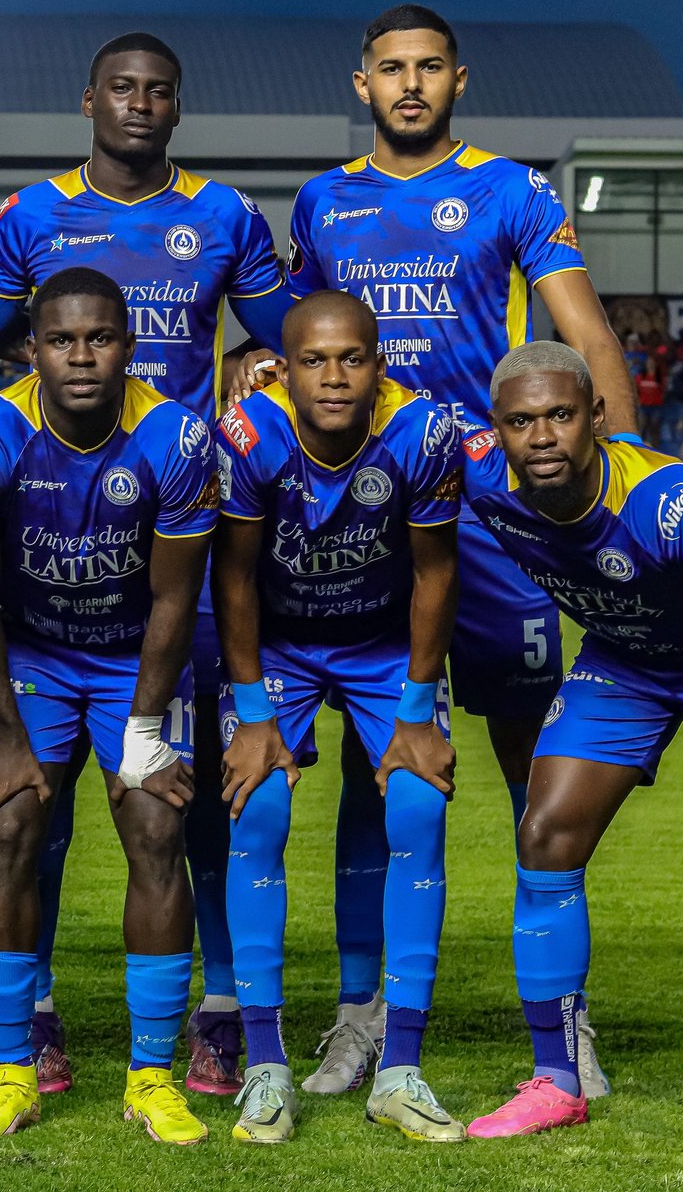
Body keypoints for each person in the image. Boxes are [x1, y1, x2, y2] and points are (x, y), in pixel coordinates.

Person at [0, 30, 295, 1096]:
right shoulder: (30, 215)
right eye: (121, 88)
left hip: (176, 532)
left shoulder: (224, 216)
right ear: (89, 101)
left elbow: (299, 331)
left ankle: (217, 1012)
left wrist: (276, 362)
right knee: (33, 805)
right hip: (55, 536)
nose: (139, 104)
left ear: (177, 107)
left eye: (158, 90)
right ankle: (39, 1014)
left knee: (197, 800)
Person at [279, 3, 638, 1096]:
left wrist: (619, 486)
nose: (409, 84)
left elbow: (585, 335)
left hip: (489, 515)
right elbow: (300, 342)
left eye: (428, 67)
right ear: (361, 84)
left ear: (457, 79)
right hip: (372, 513)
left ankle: (562, 1018)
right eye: (390, 68)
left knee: (539, 769)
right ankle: (362, 1013)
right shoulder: (323, 202)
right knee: (375, 768)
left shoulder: (511, 191)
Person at [458, 342, 683, 1160]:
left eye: (561, 414)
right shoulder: (479, 474)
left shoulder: (668, 505)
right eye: (521, 421)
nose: (542, 436)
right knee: (544, 833)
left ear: (595, 416)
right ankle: (557, 1081)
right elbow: (386, 420)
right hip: (625, 658)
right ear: (498, 429)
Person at [0, 269, 217, 1144]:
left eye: (100, 338)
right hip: (32, 656)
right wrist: (8, 736)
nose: (82, 356)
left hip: (136, 655)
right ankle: (10, 1072)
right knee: (9, 826)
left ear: (129, 347)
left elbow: (175, 599)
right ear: (33, 351)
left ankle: (152, 1077)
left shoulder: (175, 439)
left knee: (156, 825)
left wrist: (143, 733)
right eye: (61, 340)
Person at [212, 292, 463, 1142]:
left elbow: (436, 571)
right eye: (314, 361)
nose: (333, 376)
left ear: (377, 366)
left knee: (419, 805)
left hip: (382, 642)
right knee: (257, 806)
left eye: (352, 359)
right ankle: (265, 1067)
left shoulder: (421, 432)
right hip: (280, 644)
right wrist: (254, 714)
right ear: (283, 370)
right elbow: (232, 575)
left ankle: (400, 1068)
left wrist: (419, 711)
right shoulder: (250, 432)